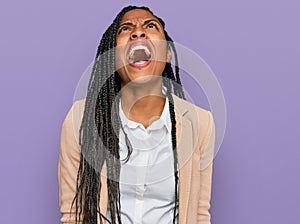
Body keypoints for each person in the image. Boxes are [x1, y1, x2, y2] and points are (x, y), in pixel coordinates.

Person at [58, 5, 215, 224]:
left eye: (151, 26)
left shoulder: (200, 123)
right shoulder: (80, 120)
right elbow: (72, 216)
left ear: (168, 53)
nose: (138, 33)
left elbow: (199, 216)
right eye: (126, 29)